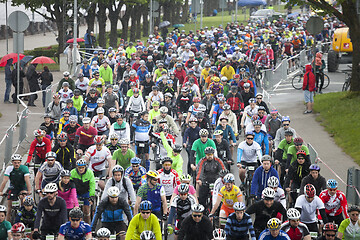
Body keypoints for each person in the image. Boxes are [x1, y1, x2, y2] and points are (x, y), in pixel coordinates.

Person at [0, 154, 31, 221]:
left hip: (22, 187)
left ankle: (23, 213)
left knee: (22, 197)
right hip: (13, 187)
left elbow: (27, 180)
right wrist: (1, 191)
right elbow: (5, 180)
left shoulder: (24, 168)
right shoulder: (9, 168)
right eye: (15, 162)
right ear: (12, 162)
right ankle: (8, 224)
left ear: (20, 162)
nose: (16, 164)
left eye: (18, 162)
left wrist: (29, 190)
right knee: (9, 207)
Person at [70, 159, 96, 224]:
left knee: (86, 210)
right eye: (79, 168)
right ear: (77, 167)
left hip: (86, 192)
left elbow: (92, 184)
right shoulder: (73, 172)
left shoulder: (89, 173)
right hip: (76, 192)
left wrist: (91, 196)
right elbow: (69, 184)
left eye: (82, 167)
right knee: (74, 209)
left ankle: (87, 225)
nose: (81, 169)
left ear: (85, 167)